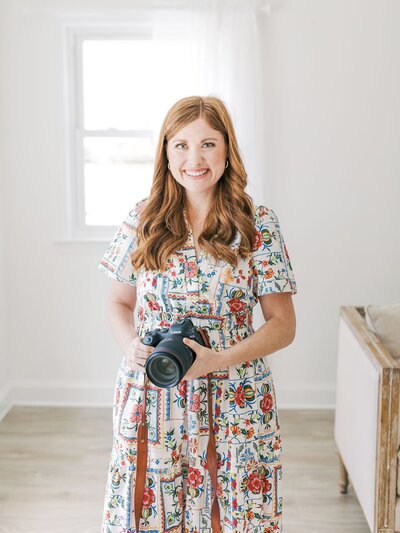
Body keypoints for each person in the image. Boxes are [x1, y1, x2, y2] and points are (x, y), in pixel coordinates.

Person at [98, 95, 297, 533]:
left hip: (236, 398)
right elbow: (118, 303)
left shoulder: (257, 224)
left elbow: (283, 326)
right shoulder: (143, 220)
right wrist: (131, 345)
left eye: (208, 144)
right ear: (166, 154)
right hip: (153, 392)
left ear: (227, 150)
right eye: (181, 145)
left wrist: (217, 360)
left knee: (237, 514)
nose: (195, 158)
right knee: (150, 514)